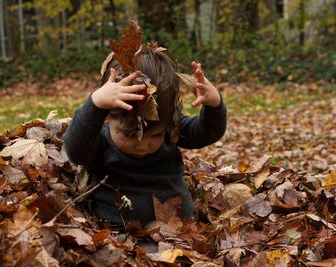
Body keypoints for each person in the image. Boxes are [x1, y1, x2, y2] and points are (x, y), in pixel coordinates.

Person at [64, 45, 227, 229]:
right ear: (107, 118)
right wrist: (95, 105)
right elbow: (76, 150)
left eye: (155, 135)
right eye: (129, 135)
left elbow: (206, 132)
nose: (142, 145)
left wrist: (214, 105)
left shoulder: (168, 127)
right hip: (118, 235)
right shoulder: (99, 141)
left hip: (178, 232)